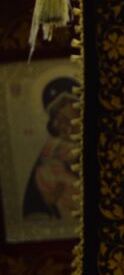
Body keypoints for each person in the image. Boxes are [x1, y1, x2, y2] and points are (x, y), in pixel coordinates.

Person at [22, 76, 80, 219]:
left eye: (63, 104)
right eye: (55, 112)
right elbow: (37, 205)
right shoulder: (53, 149)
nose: (60, 116)